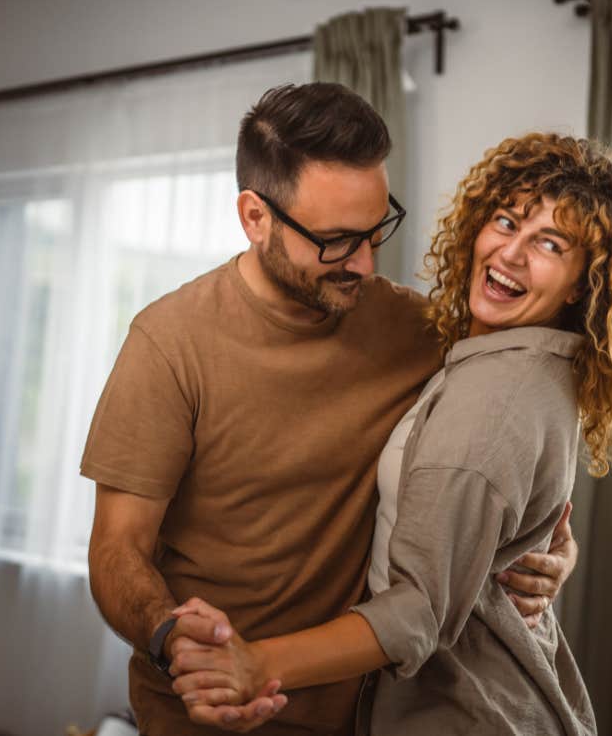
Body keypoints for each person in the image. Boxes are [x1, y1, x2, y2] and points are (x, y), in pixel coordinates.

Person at [164, 132, 612, 735]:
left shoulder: (495, 400)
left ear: (583, 282)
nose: (511, 253)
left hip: (466, 713)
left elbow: (416, 609)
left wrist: (256, 661)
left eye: (550, 243)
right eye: (506, 222)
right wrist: (549, 550)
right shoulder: (491, 358)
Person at [80, 84, 579, 736]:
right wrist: (170, 634)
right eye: (338, 240)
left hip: (358, 715)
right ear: (255, 217)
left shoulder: (419, 329)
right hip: (204, 711)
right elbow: (118, 549)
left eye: (377, 229)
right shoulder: (168, 344)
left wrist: (551, 550)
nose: (367, 262)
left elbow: (505, 445)